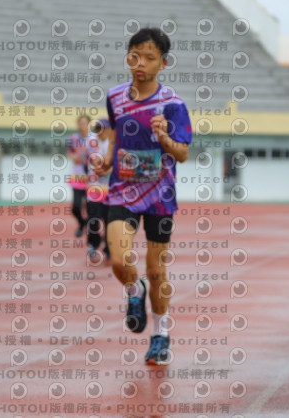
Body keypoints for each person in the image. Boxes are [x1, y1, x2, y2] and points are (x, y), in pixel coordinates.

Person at [94, 27, 192, 365]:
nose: (140, 63)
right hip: (122, 190)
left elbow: (183, 154)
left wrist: (164, 139)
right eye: (135, 56)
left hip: (160, 195)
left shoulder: (173, 105)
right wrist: (107, 160)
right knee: (119, 260)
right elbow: (115, 133)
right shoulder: (115, 96)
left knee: (156, 269)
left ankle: (161, 334)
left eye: (149, 58)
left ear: (163, 63)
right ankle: (135, 291)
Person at [85, 119, 112, 261]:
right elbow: (84, 156)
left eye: (105, 128)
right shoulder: (91, 142)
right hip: (94, 189)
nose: (102, 131)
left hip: (109, 190)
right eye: (99, 128)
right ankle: (94, 244)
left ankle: (108, 247)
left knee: (109, 220)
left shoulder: (112, 144)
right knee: (93, 219)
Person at [66, 115, 90, 237]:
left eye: (84, 123)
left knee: (92, 208)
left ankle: (93, 235)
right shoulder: (74, 138)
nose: (82, 126)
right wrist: (74, 157)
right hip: (77, 178)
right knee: (76, 207)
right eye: (80, 123)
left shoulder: (94, 139)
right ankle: (82, 223)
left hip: (92, 179)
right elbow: (70, 152)